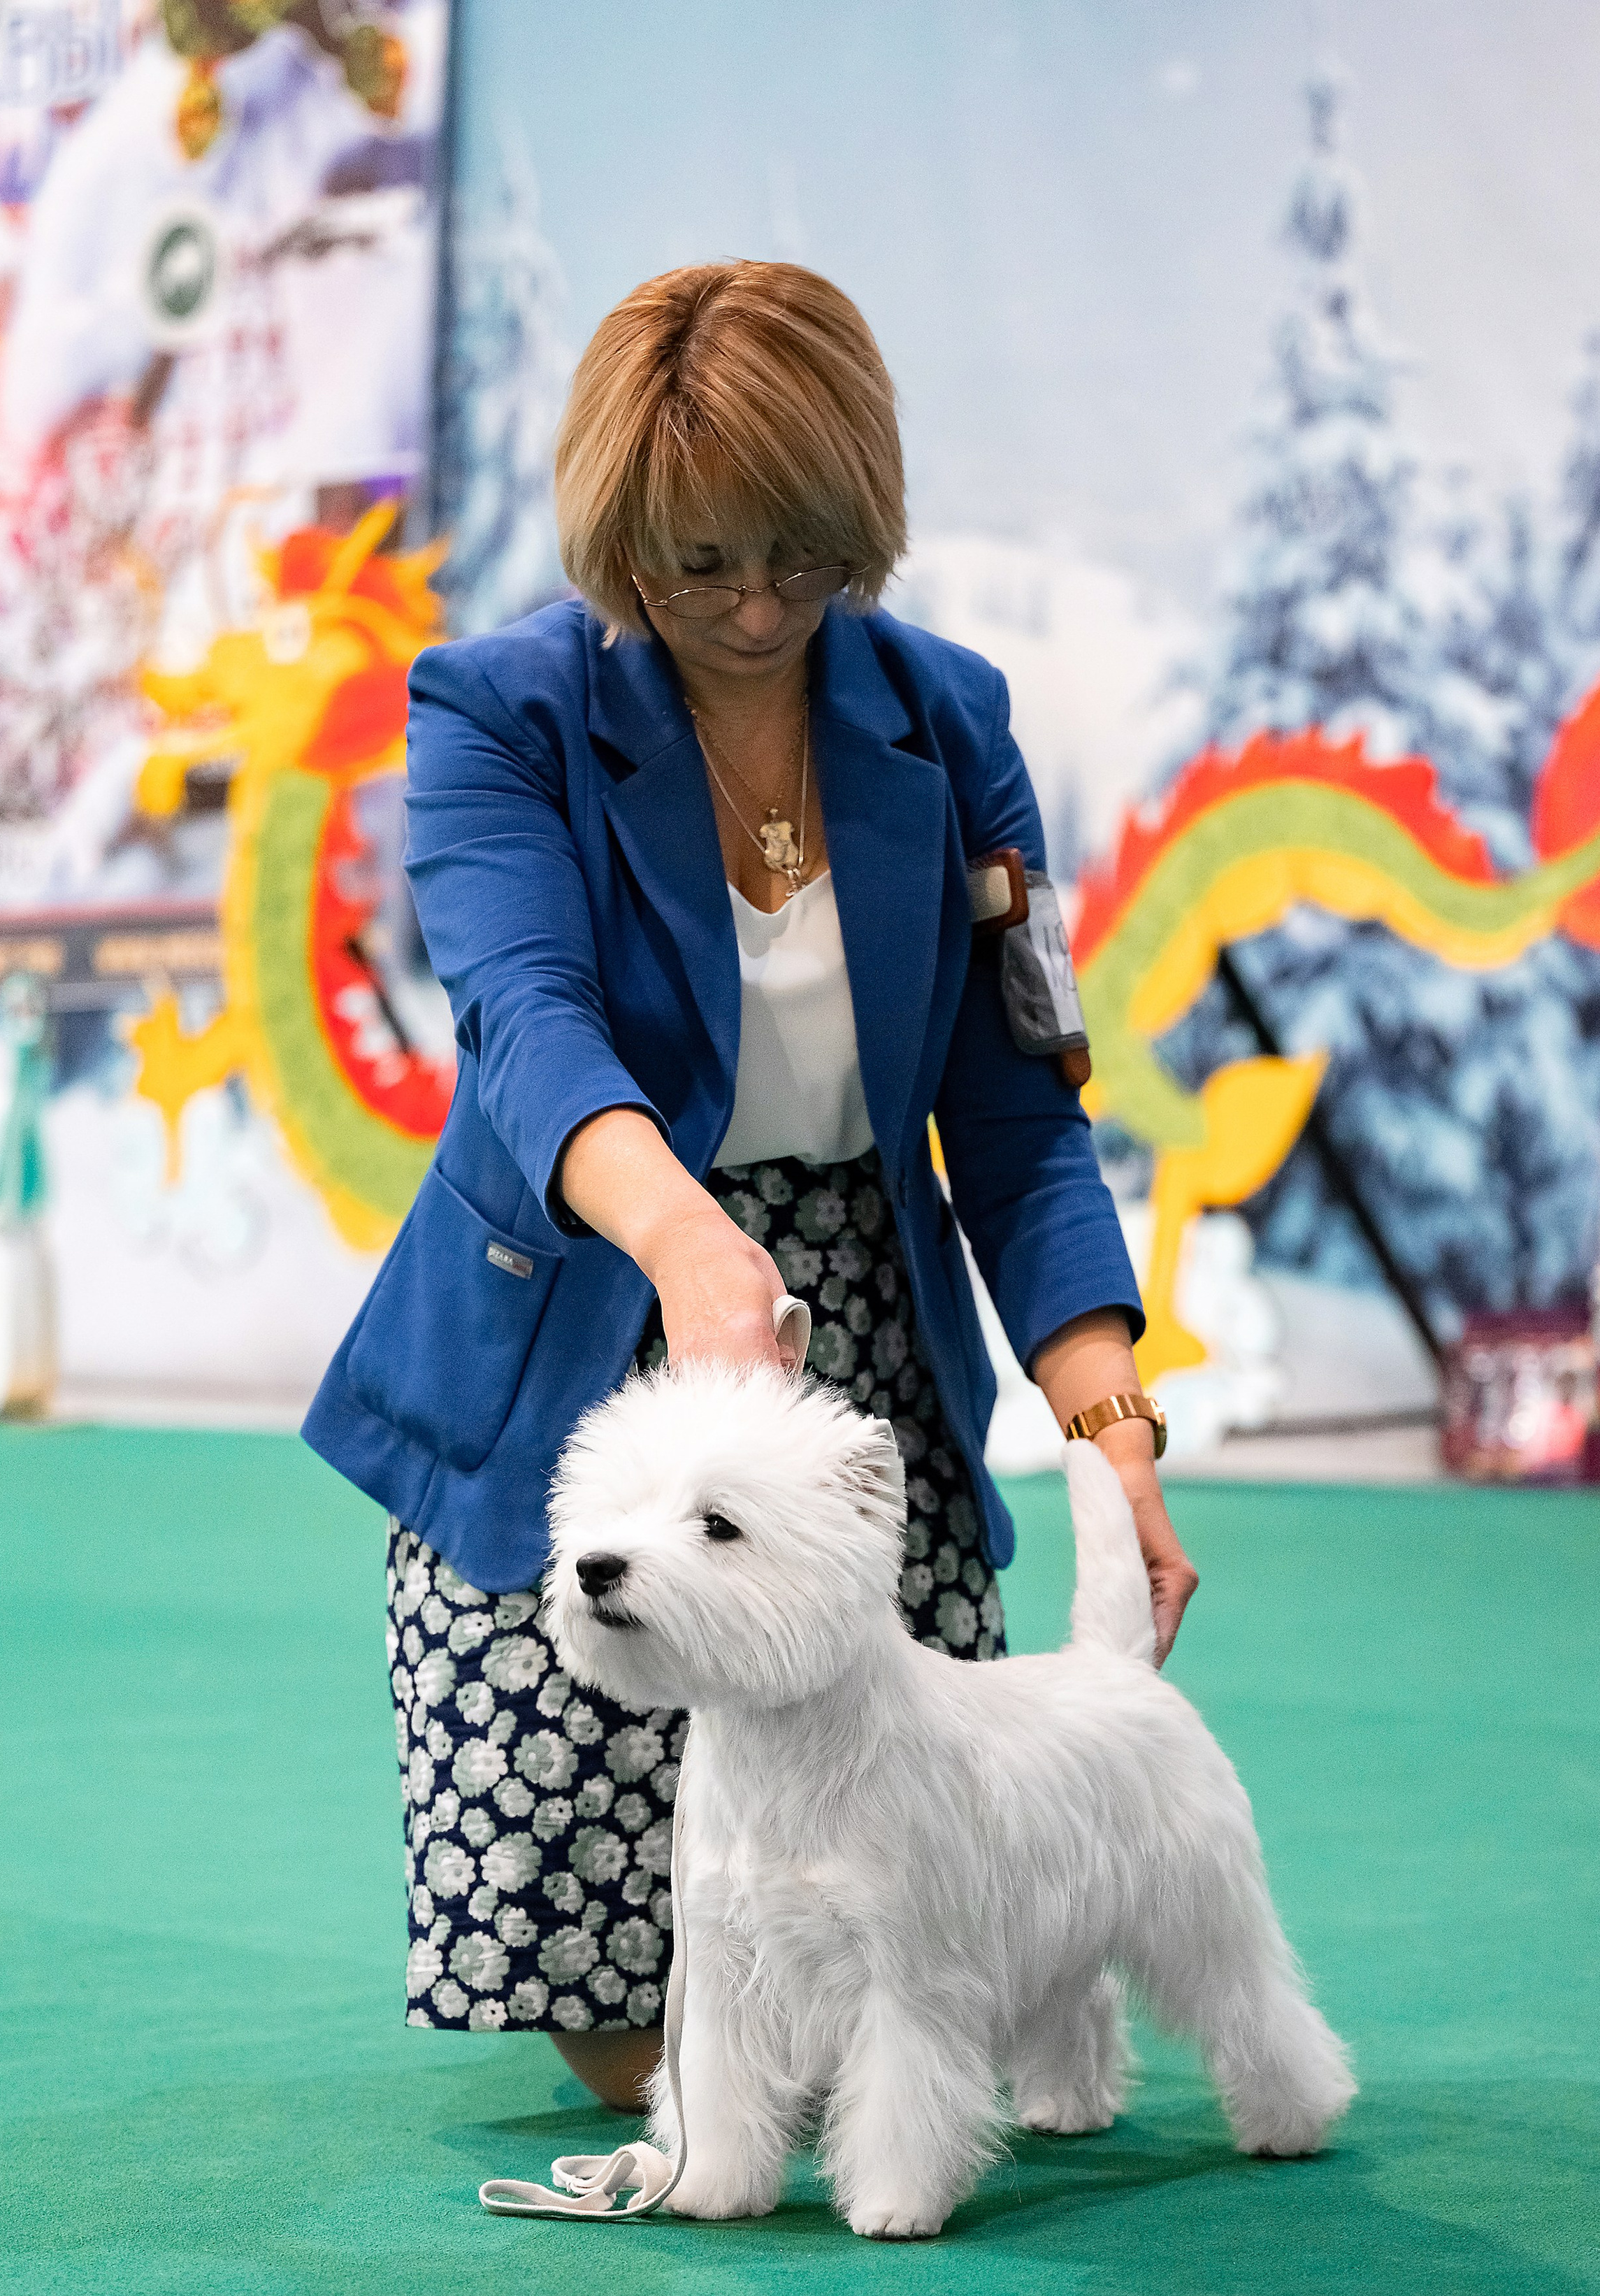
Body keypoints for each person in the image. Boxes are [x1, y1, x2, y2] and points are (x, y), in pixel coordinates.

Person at [302, 260, 1198, 2114]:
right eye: (704, 560)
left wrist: (1110, 1418)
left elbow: (1020, 1114)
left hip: (861, 1326)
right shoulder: (494, 715)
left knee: (918, 1900)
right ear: (623, 531)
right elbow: (527, 1023)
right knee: (642, 2030)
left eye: (802, 550)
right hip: (576, 1302)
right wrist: (692, 1249)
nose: (760, 600)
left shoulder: (947, 721)